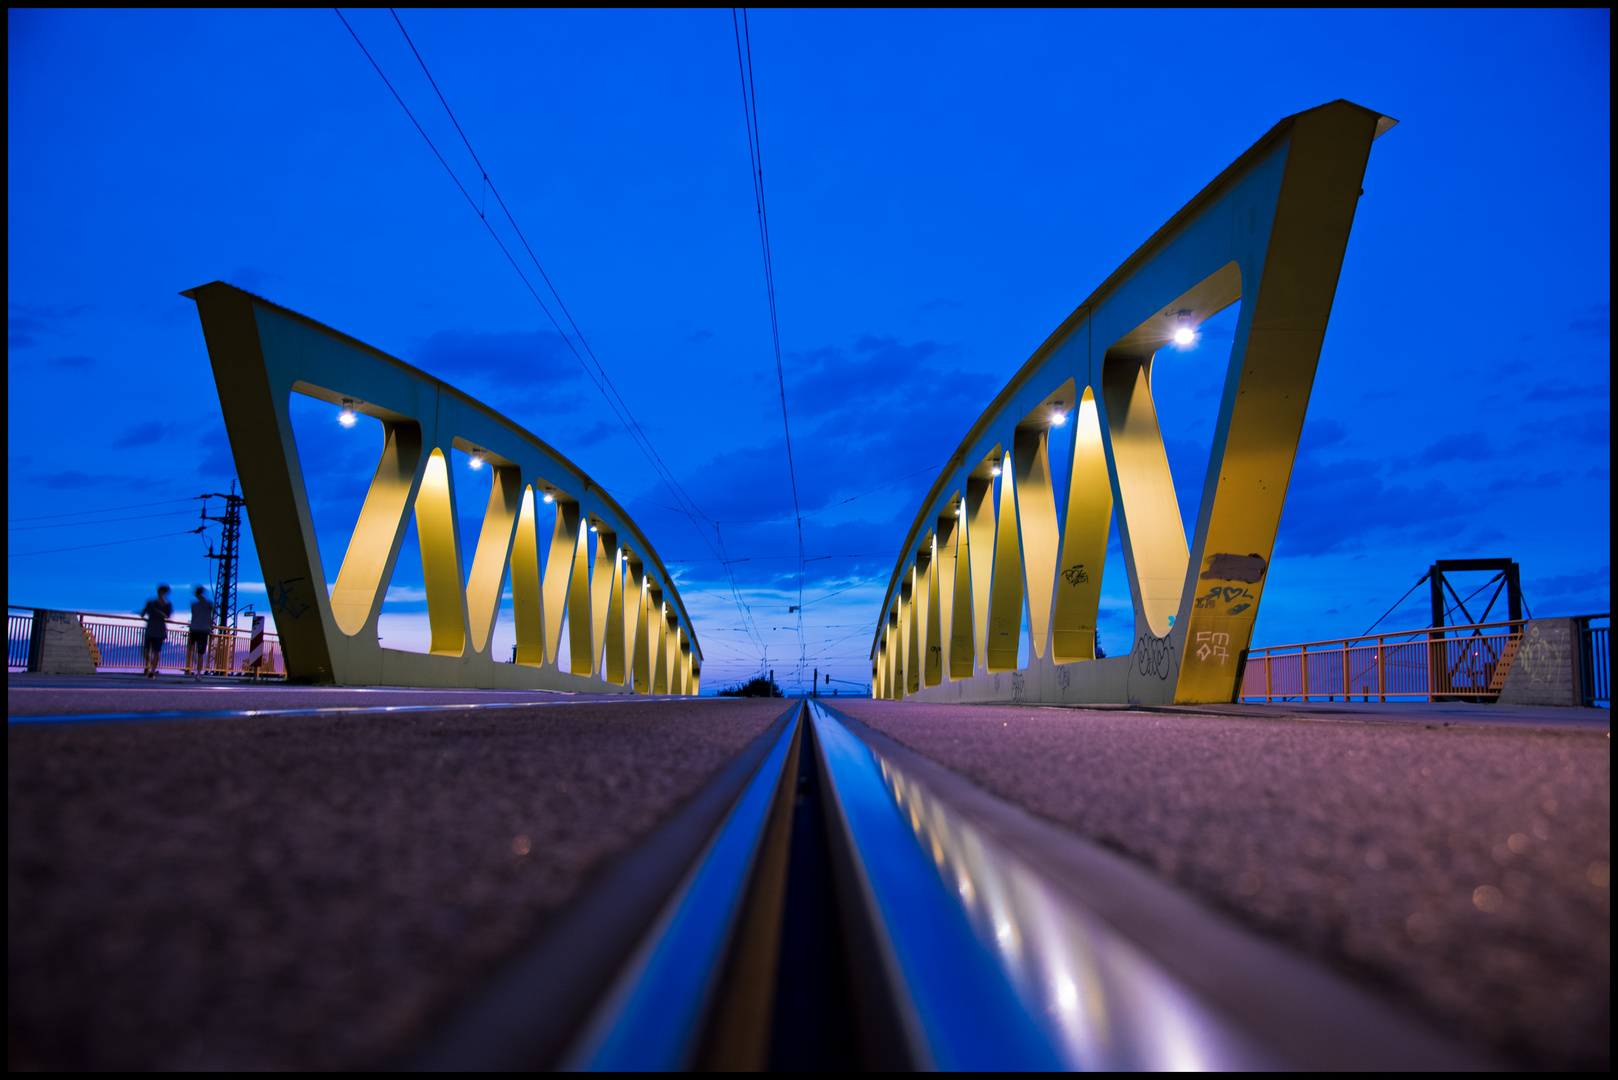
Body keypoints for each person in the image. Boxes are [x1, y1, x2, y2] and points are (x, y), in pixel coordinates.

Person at [140, 584, 172, 678]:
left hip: (160, 630)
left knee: (156, 651)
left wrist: (159, 612)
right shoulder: (151, 603)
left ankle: (152, 671)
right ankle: (149, 667)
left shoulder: (167, 605)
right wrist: (147, 619)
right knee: (146, 650)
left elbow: (167, 616)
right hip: (151, 628)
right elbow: (143, 613)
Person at [188, 586, 215, 682]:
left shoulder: (206, 604)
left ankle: (198, 672)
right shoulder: (206, 604)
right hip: (200, 629)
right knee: (197, 652)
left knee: (197, 652)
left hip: (199, 629)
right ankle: (198, 671)